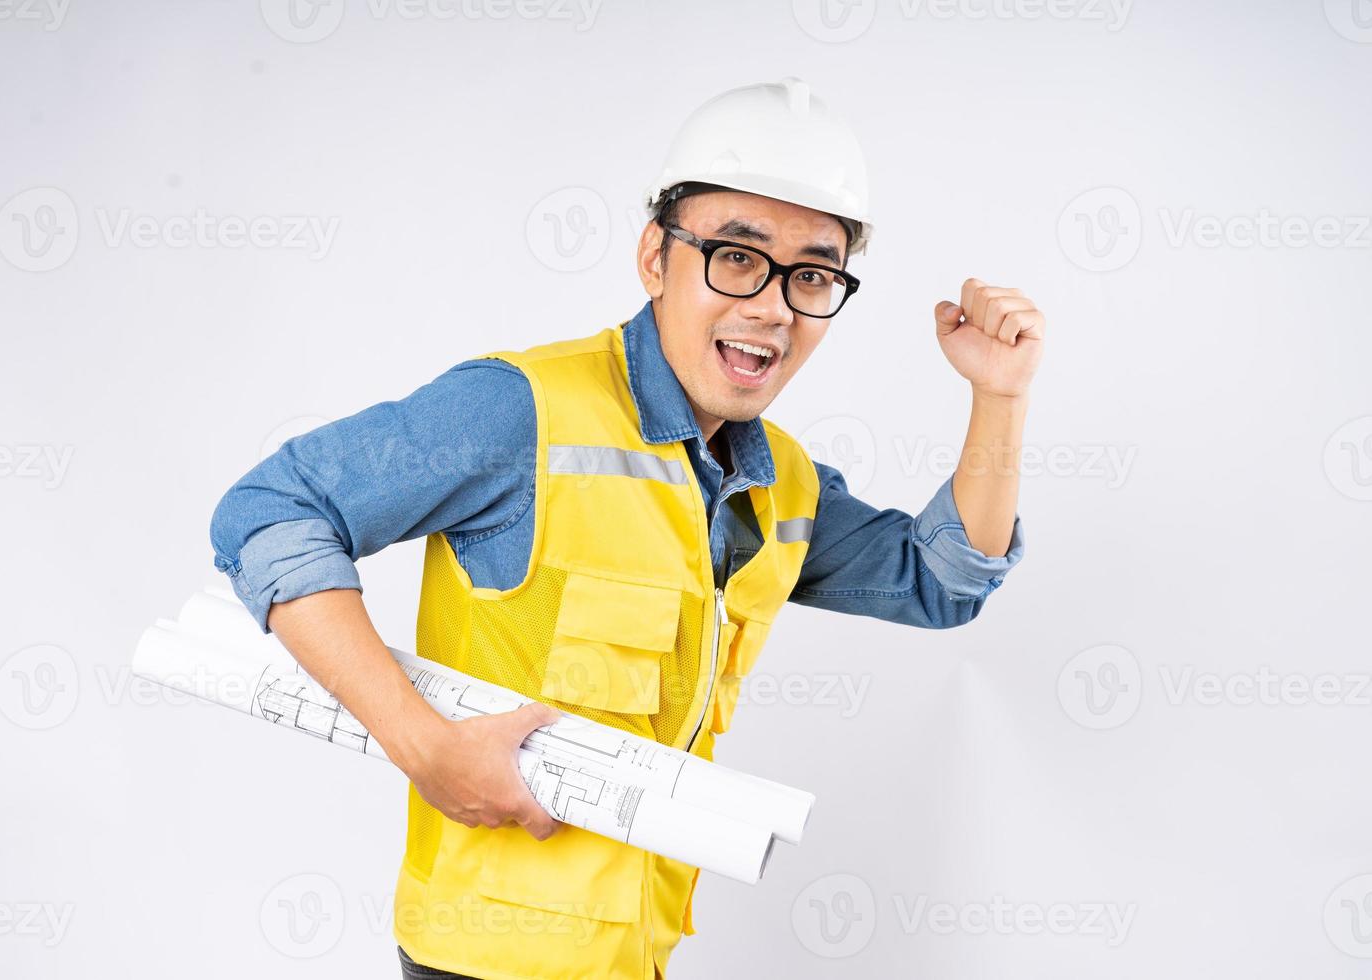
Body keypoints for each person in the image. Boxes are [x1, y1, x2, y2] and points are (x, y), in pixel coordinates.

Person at [209, 76, 1044, 980]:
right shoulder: (523, 411)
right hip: (484, 961)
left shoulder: (783, 485)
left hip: (634, 955)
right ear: (656, 257)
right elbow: (270, 513)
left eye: (812, 274)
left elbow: (943, 583)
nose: (771, 305)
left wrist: (999, 397)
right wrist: (424, 748)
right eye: (736, 255)